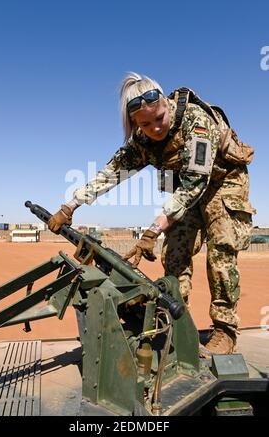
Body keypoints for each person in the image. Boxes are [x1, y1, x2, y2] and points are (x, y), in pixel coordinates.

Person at [48, 72, 255, 355]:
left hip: (223, 181)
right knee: (175, 254)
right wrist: (69, 206)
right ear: (135, 124)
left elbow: (195, 185)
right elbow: (110, 174)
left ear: (166, 104)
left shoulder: (197, 122)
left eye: (159, 118)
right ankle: (178, 321)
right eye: (145, 124)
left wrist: (153, 230)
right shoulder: (142, 141)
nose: (155, 128)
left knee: (221, 249)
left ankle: (225, 330)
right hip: (186, 189)